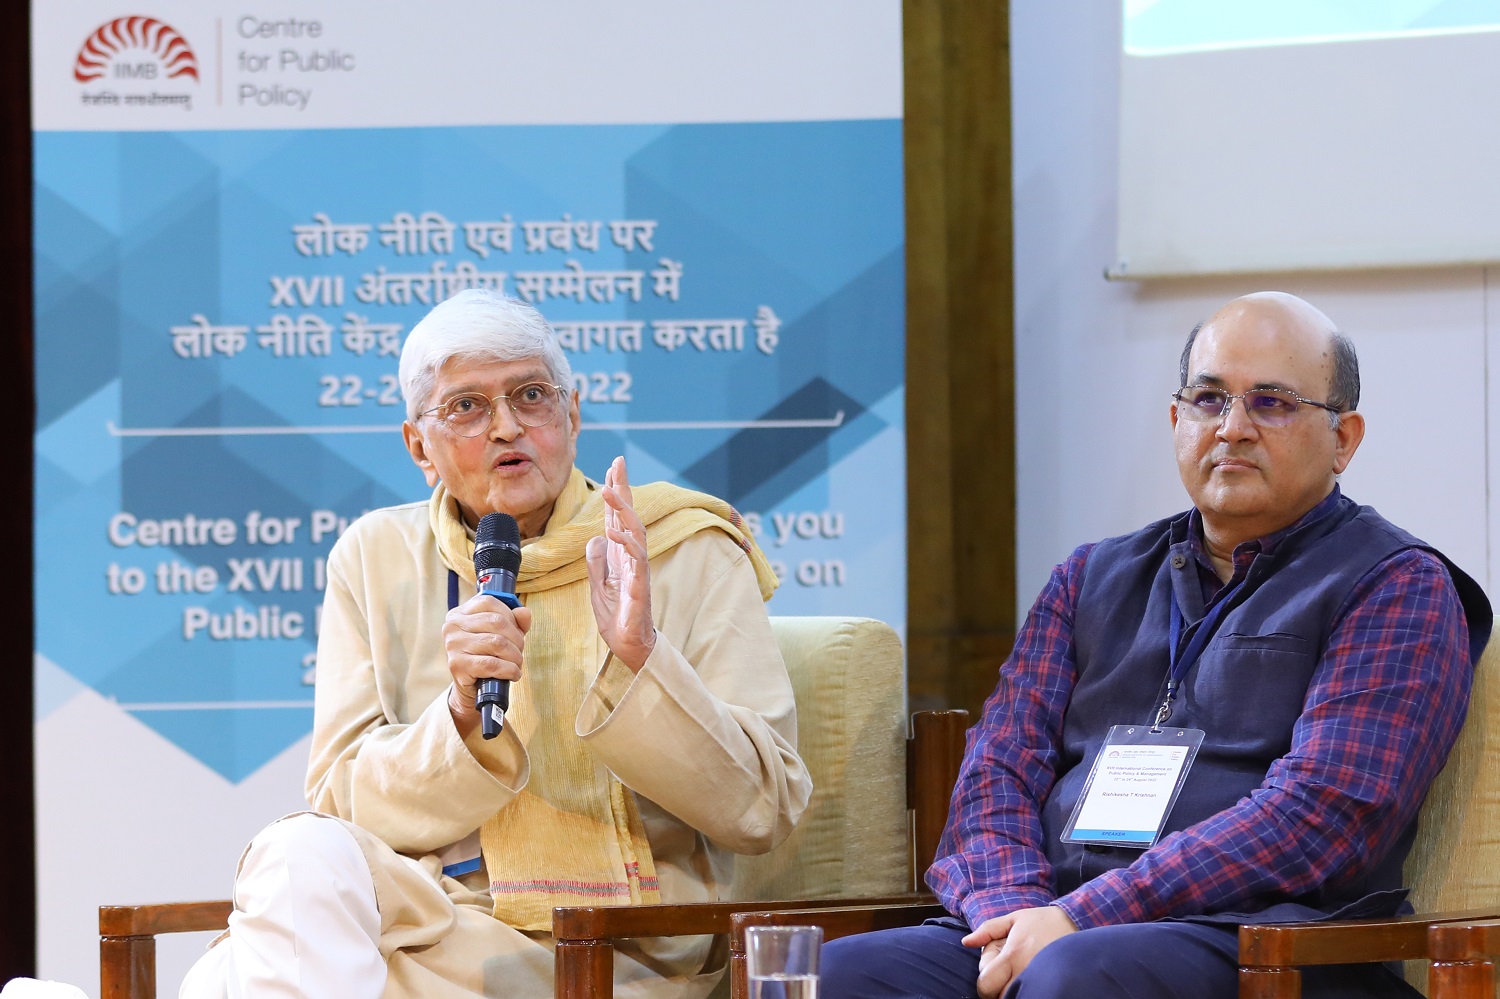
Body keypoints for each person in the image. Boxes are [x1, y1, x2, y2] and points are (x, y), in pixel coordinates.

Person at [821, 292, 1492, 999]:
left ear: (1344, 438)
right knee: (839, 974)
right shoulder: (1090, 577)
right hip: (1050, 924)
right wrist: (1010, 915)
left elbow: (1320, 818)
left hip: (1258, 942)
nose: (1232, 428)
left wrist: (1080, 916)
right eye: (1208, 399)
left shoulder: (1395, 584)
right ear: (1177, 420)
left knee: (1071, 975)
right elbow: (996, 774)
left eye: (1271, 403)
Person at [180, 290, 811, 999]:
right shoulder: (374, 555)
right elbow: (340, 799)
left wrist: (643, 659)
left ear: (572, 416)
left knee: (228, 978)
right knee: (297, 851)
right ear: (419, 446)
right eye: (467, 406)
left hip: (612, 945)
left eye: (531, 395)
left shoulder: (680, 548)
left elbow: (765, 807)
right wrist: (454, 718)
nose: (507, 426)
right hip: (431, 916)